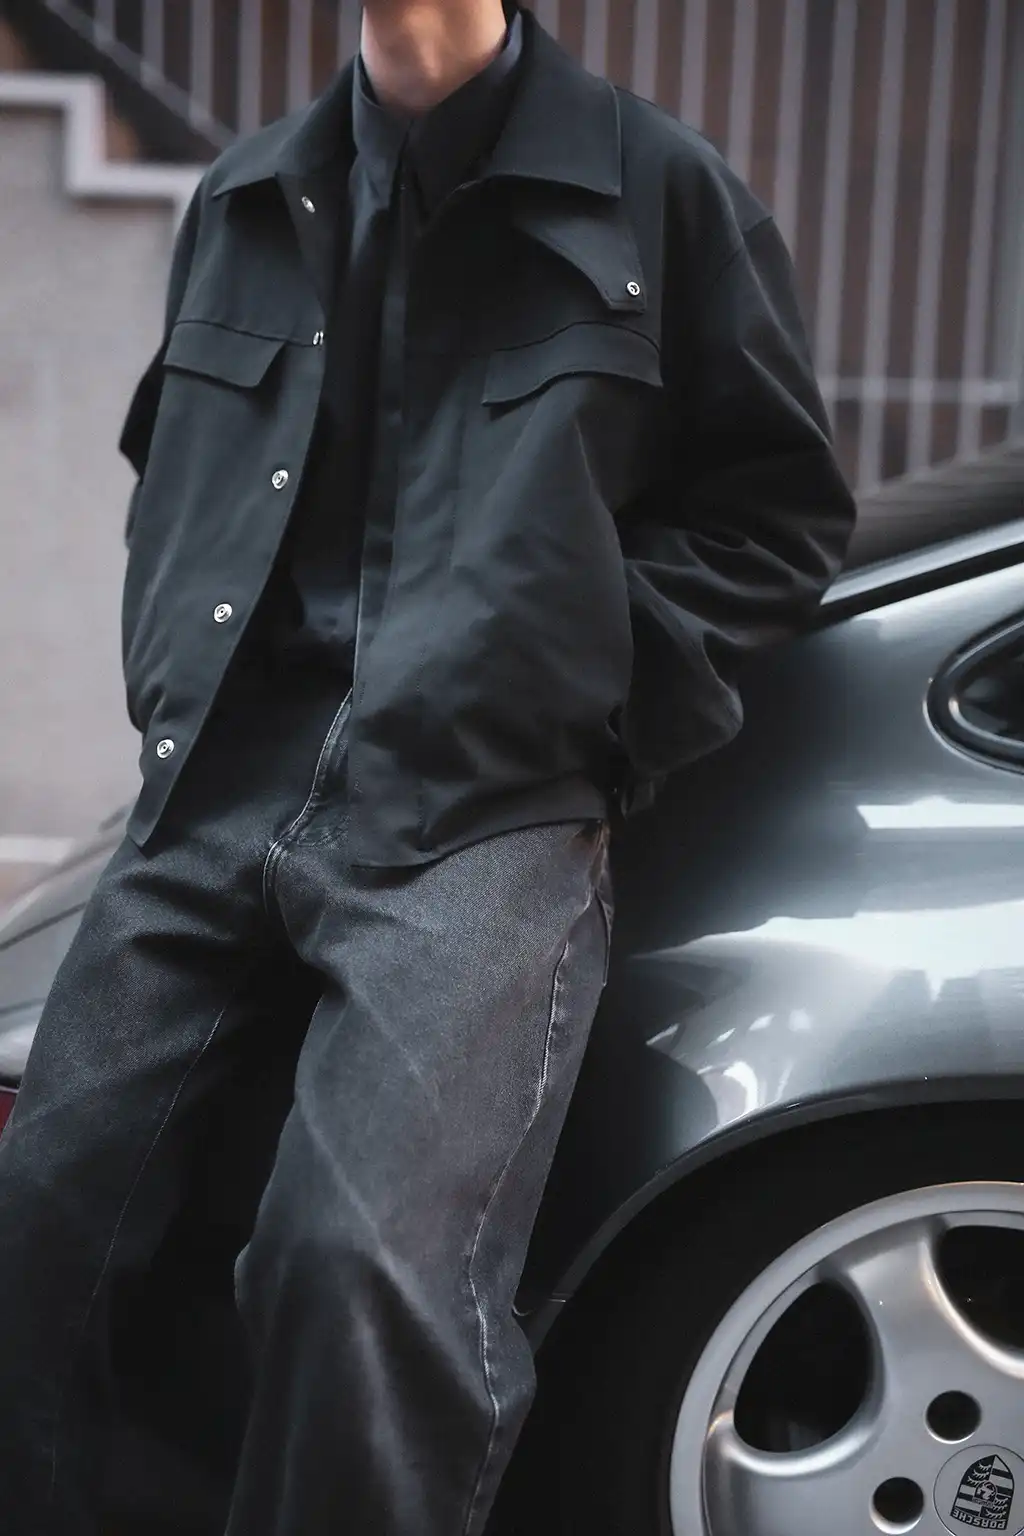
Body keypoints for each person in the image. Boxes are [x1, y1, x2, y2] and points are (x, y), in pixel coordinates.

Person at [0, 1, 856, 1532]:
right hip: (220, 789)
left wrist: (584, 705)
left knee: (355, 1268)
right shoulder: (247, 193)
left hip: (480, 810)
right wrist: (173, 679)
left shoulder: (660, 189)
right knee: (41, 1214)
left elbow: (774, 518)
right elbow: (175, 480)